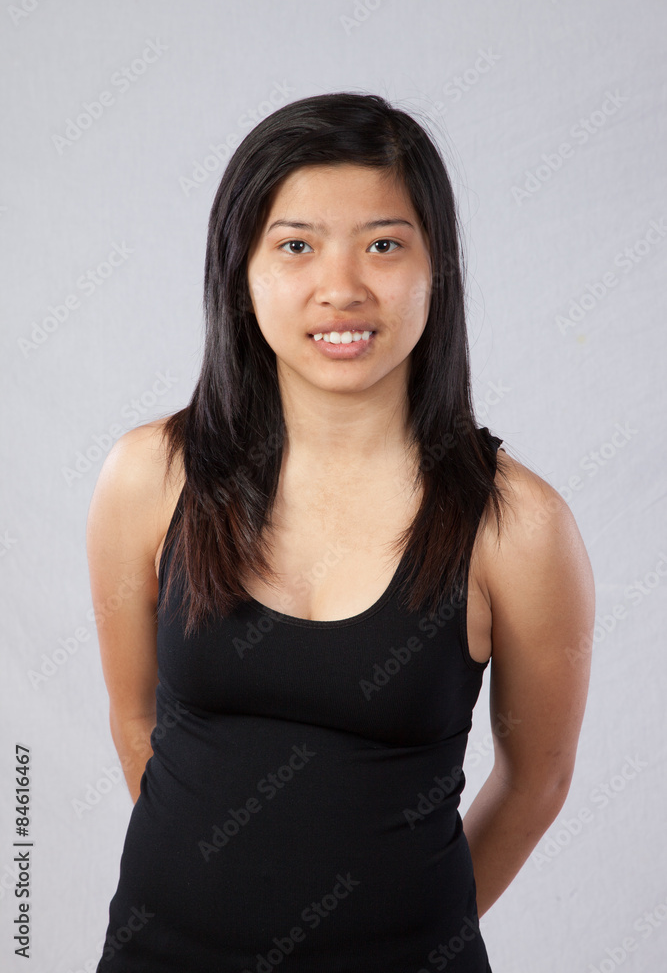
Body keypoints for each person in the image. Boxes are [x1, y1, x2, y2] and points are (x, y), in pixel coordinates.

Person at [86, 92, 595, 971]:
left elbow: (537, 781)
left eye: (384, 245)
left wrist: (402, 930)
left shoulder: (517, 527)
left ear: (438, 268)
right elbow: (136, 718)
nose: (342, 288)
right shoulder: (150, 476)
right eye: (296, 245)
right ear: (240, 271)